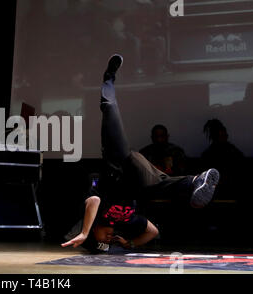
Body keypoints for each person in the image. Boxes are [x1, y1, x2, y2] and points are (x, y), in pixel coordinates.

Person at [62, 54, 220, 253]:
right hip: (138, 180)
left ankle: (109, 77)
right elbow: (152, 231)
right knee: (156, 185)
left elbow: (93, 201)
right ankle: (197, 180)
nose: (109, 239)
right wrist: (130, 244)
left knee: (109, 108)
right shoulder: (128, 220)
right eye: (109, 241)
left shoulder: (94, 217)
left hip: (118, 163)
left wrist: (84, 233)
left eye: (104, 239)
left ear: (94, 231)